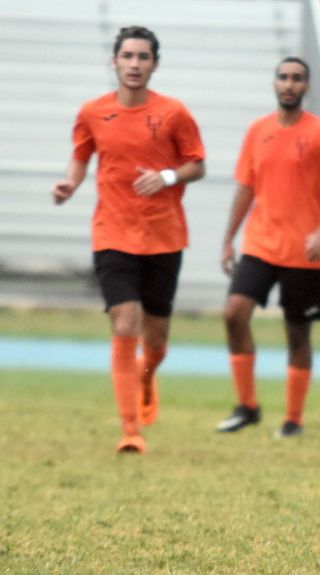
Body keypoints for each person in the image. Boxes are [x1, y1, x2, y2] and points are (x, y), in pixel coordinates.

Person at [51, 26, 206, 454]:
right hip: (112, 233)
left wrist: (167, 176)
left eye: (143, 57)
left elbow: (197, 165)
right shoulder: (92, 112)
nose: (134, 64)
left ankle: (147, 374)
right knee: (123, 323)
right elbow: (81, 156)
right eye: (128, 56)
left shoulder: (174, 112)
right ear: (114, 61)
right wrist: (69, 184)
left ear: (155, 64)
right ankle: (130, 430)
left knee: (154, 341)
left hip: (164, 236)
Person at [214, 57, 320, 438]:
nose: (289, 84)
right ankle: (247, 406)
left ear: (306, 86)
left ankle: (293, 420)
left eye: (297, 78)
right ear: (275, 83)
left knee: (297, 334)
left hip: (303, 252)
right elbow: (245, 187)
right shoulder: (258, 131)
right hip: (259, 245)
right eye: (283, 77)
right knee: (233, 314)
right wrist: (228, 239)